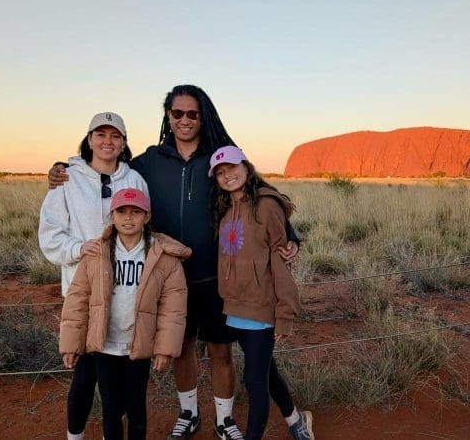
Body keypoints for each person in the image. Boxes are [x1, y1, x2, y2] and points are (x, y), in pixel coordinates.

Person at [48, 85, 299, 440]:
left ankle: (224, 420)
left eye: (192, 114)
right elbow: (108, 168)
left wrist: (290, 237)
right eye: (177, 113)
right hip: (169, 276)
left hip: (215, 276)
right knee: (180, 349)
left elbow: (255, 192)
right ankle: (189, 413)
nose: (185, 120)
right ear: (168, 116)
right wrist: (65, 168)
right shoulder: (150, 161)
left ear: (202, 116)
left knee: (220, 349)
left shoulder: (216, 158)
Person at [39, 112, 150, 440]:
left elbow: (146, 228)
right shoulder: (67, 180)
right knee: (85, 374)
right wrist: (78, 248)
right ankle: (75, 436)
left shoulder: (134, 181)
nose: (107, 141)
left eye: (115, 136)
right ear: (89, 140)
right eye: (100, 135)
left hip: (125, 294)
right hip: (82, 290)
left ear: (124, 143)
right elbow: (50, 234)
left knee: (118, 377)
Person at [59, 187, 189, 439]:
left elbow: (173, 308)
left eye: (136, 212)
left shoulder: (163, 257)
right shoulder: (96, 254)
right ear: (112, 216)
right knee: (111, 407)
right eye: (121, 211)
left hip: (137, 345)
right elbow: (78, 299)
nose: (128, 218)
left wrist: (164, 347)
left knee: (136, 406)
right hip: (105, 345)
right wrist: (71, 343)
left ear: (147, 216)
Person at [209, 146, 314, 440]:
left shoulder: (266, 206)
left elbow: (281, 264)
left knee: (254, 381)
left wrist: (285, 313)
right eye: (220, 172)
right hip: (234, 308)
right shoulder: (224, 208)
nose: (227, 175)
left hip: (261, 308)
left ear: (246, 167)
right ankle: (296, 420)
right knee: (266, 372)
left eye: (231, 168)